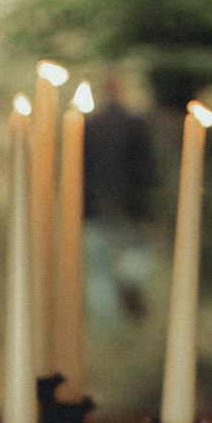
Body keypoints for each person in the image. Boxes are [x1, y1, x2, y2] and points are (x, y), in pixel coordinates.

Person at [82, 73, 158, 332]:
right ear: (120, 90)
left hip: (93, 207)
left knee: (99, 270)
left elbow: (77, 170)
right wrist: (145, 207)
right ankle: (126, 281)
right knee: (135, 254)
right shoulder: (133, 124)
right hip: (127, 206)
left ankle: (107, 327)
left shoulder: (89, 125)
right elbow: (146, 169)